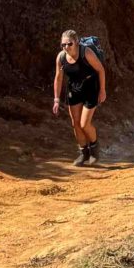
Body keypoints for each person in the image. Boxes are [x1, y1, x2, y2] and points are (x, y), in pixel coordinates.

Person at [53, 30, 107, 166]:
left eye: (69, 44)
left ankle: (94, 151)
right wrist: (56, 99)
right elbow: (58, 79)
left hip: (91, 89)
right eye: (63, 44)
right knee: (75, 124)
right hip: (74, 90)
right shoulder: (61, 58)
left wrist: (102, 90)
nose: (66, 47)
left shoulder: (86, 53)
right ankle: (84, 154)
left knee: (84, 124)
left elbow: (100, 70)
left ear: (76, 42)